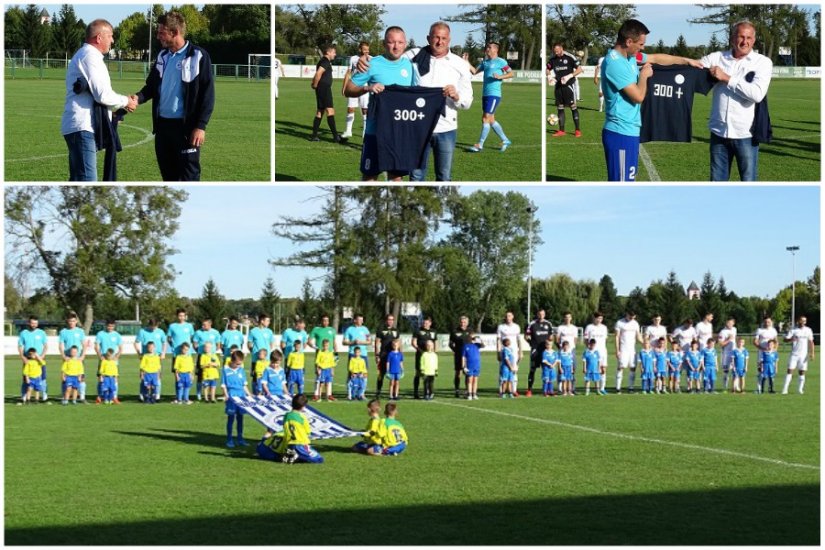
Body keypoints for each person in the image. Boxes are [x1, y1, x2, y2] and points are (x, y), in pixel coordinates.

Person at [601, 19, 702, 181]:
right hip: (620, 133)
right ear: (628, 41)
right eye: (640, 44)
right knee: (621, 184)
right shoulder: (615, 63)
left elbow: (656, 58)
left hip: (630, 131)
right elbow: (638, 96)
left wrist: (686, 60)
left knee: (628, 180)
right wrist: (644, 76)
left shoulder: (630, 56)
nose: (643, 48)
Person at [134, 11, 215, 181]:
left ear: (175, 32)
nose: (158, 36)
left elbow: (208, 94)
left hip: (186, 130)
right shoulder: (162, 56)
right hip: (163, 128)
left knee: (188, 179)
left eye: (161, 32)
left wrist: (200, 126)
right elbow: (151, 87)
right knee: (168, 179)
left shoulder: (198, 56)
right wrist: (137, 98)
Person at [61, 19, 137, 181]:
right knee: (88, 180)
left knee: (78, 180)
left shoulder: (88, 55)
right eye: (110, 36)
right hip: (82, 127)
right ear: (99, 38)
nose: (112, 40)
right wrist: (126, 101)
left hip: (81, 127)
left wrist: (112, 113)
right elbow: (101, 94)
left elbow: (96, 94)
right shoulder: (89, 56)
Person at [701, 21, 773, 181]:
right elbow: (693, 67)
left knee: (748, 183)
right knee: (716, 183)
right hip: (719, 133)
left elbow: (757, 94)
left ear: (754, 40)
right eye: (741, 36)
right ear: (733, 38)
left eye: (749, 37)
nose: (745, 41)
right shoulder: (717, 58)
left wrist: (726, 78)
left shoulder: (762, 62)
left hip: (745, 134)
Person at [344, 26, 415, 181]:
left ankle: (395, 206)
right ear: (384, 43)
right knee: (370, 177)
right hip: (375, 131)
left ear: (405, 44)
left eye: (400, 42)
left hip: (399, 132)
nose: (396, 46)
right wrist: (368, 87)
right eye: (391, 42)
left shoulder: (410, 66)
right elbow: (348, 90)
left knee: (396, 177)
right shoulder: (371, 64)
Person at [407, 22, 473, 181]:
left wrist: (456, 96)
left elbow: (467, 102)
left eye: (444, 38)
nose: (440, 42)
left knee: (444, 177)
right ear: (428, 38)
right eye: (436, 37)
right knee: (416, 176)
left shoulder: (460, 64)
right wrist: (368, 63)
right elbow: (391, 62)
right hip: (417, 128)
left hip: (446, 129)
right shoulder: (412, 56)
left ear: (449, 40)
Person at [468, 41, 513, 152]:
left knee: (485, 118)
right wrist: (466, 62)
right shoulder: (485, 62)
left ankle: (480, 144)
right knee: (491, 120)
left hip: (494, 94)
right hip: (485, 94)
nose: (487, 49)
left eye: (489, 47)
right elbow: (474, 71)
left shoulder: (501, 61)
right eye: (487, 47)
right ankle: (505, 139)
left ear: (495, 50)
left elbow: (511, 73)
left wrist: (500, 76)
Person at [257, 394, 324, 464]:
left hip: (289, 444)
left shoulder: (286, 416)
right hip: (300, 444)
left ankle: (292, 455)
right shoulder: (302, 417)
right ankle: (297, 456)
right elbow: (307, 432)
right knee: (319, 459)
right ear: (303, 407)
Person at [547, 43, 583, 138]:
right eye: (555, 51)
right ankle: (561, 130)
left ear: (562, 48)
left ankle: (577, 130)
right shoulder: (552, 59)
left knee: (573, 106)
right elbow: (547, 68)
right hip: (558, 86)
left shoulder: (570, 57)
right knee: (560, 107)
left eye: (558, 51)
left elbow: (579, 69)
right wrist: (549, 76)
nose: (556, 53)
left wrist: (569, 76)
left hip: (569, 85)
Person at [310, 45, 343, 143]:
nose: (335, 54)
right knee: (330, 111)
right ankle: (336, 137)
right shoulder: (325, 61)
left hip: (322, 89)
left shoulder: (324, 61)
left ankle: (314, 136)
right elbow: (318, 74)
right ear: (328, 52)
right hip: (324, 89)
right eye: (334, 52)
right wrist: (315, 85)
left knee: (320, 111)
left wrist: (316, 86)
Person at [221, 350, 253, 448]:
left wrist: (249, 395)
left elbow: (244, 385)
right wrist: (226, 395)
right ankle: (229, 439)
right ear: (232, 360)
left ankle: (240, 439)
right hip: (231, 396)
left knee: (240, 418)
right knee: (231, 418)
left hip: (241, 396)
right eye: (237, 363)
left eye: (240, 363)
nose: (239, 365)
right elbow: (223, 385)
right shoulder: (225, 370)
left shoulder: (241, 370)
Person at [341, 41, 372, 139]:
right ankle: (348, 131)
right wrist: (344, 87)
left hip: (364, 87)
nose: (366, 51)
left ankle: (365, 132)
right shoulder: (353, 59)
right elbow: (348, 73)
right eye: (364, 49)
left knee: (365, 110)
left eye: (368, 50)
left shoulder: (371, 59)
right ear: (360, 49)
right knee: (350, 108)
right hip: (353, 87)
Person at [18, 316, 49, 402]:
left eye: (35, 323)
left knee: (42, 378)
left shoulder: (41, 333)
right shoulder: (24, 333)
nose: (34, 325)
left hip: (39, 360)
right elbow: (20, 346)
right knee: (26, 378)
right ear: (28, 323)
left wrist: (42, 356)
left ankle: (44, 395)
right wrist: (22, 357)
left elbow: (46, 346)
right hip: (28, 360)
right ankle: (24, 396)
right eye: (32, 323)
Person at [782, 315, 815, 395]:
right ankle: (785, 389)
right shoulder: (793, 330)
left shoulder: (808, 330)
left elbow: (811, 342)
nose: (803, 322)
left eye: (804, 321)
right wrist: (791, 339)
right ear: (798, 321)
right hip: (794, 354)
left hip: (803, 355)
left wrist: (812, 353)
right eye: (801, 320)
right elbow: (785, 339)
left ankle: (800, 390)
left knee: (802, 372)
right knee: (790, 371)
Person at [168, 308, 195, 401]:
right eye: (180, 315)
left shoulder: (189, 326)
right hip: (177, 355)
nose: (181, 317)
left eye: (183, 315)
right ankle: (178, 397)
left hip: (187, 356)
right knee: (177, 376)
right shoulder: (172, 326)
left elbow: (192, 337)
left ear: (185, 316)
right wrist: (174, 347)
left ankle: (185, 397)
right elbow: (169, 338)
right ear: (177, 316)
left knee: (188, 375)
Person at [525, 309, 554, 397]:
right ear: (537, 314)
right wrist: (532, 344)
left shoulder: (548, 324)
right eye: (539, 314)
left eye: (543, 314)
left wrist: (550, 344)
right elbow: (526, 336)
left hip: (545, 351)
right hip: (535, 350)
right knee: (532, 370)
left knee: (547, 369)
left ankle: (547, 390)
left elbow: (551, 336)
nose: (541, 315)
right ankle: (529, 390)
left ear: (544, 314)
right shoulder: (532, 324)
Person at [94, 320, 122, 404]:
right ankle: (99, 397)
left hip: (113, 362)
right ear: (106, 325)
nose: (110, 328)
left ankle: (114, 397)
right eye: (109, 326)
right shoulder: (100, 334)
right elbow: (97, 346)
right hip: (104, 362)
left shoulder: (117, 335)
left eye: (112, 326)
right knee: (101, 379)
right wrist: (100, 356)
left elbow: (120, 348)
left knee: (114, 379)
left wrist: (117, 356)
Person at [343, 314, 371, 399]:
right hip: (353, 354)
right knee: (351, 374)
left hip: (363, 354)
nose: (361, 321)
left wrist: (361, 342)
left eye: (362, 320)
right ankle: (349, 394)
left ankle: (362, 393)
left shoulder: (365, 329)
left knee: (364, 374)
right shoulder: (349, 329)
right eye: (359, 320)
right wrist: (353, 342)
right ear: (355, 320)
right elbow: (344, 342)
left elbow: (369, 341)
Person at [615, 311, 642, 393]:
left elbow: (638, 336)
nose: (632, 319)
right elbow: (617, 337)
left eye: (633, 317)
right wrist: (617, 350)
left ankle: (631, 388)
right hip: (623, 349)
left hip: (632, 349)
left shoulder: (635, 323)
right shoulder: (619, 322)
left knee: (633, 368)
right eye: (630, 317)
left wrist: (645, 343)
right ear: (627, 314)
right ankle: (618, 388)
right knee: (621, 367)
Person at [497, 311, 523, 396]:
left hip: (514, 352)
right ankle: (502, 391)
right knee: (503, 371)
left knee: (514, 370)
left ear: (512, 317)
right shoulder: (501, 327)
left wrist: (521, 351)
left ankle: (513, 390)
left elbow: (519, 340)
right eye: (506, 316)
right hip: (504, 352)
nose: (508, 317)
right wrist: (498, 352)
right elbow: (498, 340)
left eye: (509, 316)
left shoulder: (516, 327)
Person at [374, 314, 400, 398]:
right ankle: (378, 392)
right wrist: (377, 355)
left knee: (394, 376)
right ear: (386, 320)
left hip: (393, 356)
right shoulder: (381, 330)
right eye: (389, 319)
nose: (390, 321)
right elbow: (377, 342)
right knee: (381, 374)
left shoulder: (396, 330)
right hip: (384, 355)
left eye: (392, 320)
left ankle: (393, 394)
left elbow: (399, 343)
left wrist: (400, 354)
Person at [412, 316, 438, 399]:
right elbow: (414, 343)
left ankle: (429, 392)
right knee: (418, 373)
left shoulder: (433, 332)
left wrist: (435, 353)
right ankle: (416, 392)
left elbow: (436, 343)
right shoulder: (418, 330)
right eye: (424, 322)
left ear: (430, 323)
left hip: (430, 357)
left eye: (427, 323)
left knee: (430, 374)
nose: (425, 324)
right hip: (420, 355)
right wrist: (421, 351)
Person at [583, 312, 608, 394]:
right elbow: (586, 340)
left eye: (601, 318)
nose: (599, 320)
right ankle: (588, 389)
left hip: (602, 351)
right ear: (594, 318)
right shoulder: (589, 327)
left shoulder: (604, 328)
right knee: (591, 370)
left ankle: (602, 388)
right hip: (592, 353)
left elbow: (605, 339)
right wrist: (590, 349)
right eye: (598, 318)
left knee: (603, 370)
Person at [247, 314, 275, 389]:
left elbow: (271, 344)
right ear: (262, 321)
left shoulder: (269, 331)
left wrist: (267, 352)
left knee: (267, 377)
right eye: (267, 321)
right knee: (255, 378)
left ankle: (266, 394)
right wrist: (254, 353)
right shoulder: (253, 331)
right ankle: (255, 395)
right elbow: (249, 344)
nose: (269, 322)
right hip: (256, 360)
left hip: (267, 360)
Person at [555, 312, 579, 393]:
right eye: (566, 317)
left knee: (573, 368)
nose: (567, 318)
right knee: (561, 369)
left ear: (571, 318)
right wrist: (561, 348)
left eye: (569, 317)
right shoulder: (560, 327)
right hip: (562, 351)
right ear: (564, 318)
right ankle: (560, 388)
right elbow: (557, 339)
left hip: (571, 351)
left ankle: (572, 388)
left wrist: (572, 348)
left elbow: (575, 339)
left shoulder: (574, 328)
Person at [449, 316, 472, 398]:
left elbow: (473, 341)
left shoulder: (470, 331)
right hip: (458, 355)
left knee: (467, 373)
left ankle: (467, 390)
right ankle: (457, 390)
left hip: (468, 355)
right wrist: (456, 351)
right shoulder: (454, 331)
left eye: (464, 322)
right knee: (458, 373)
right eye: (461, 322)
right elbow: (450, 343)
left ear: (467, 323)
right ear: (459, 322)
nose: (463, 324)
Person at [717, 317, 737, 392]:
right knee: (726, 372)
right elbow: (721, 344)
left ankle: (735, 387)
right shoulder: (722, 332)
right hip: (726, 354)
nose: (729, 324)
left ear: (733, 323)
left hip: (734, 353)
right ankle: (725, 387)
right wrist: (728, 339)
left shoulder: (735, 329)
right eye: (728, 323)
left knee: (735, 370)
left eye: (731, 323)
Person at [462, 334, 484, 400]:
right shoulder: (465, 346)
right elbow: (463, 357)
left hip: (476, 365)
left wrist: (479, 339)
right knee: (470, 380)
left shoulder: (476, 345)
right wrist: (463, 366)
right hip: (469, 365)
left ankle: (474, 394)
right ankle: (469, 394)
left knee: (475, 380)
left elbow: (483, 345)